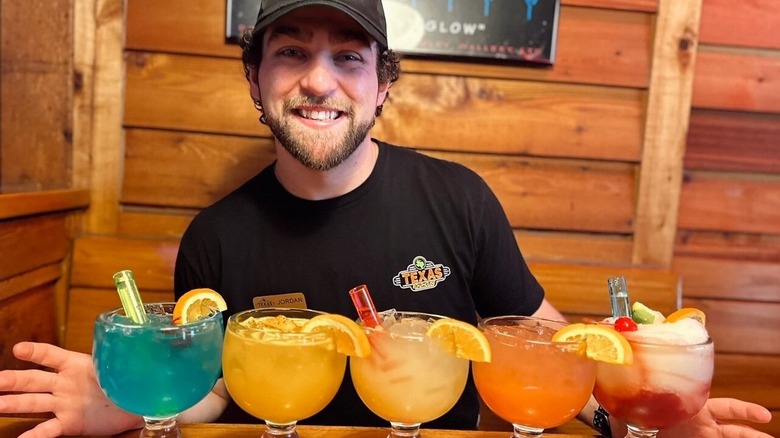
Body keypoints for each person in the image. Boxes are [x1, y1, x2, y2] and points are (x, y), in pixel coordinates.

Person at [0, 1, 773, 437]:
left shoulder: (459, 198)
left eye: (348, 57)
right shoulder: (217, 236)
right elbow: (219, 391)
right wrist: (130, 404)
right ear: (255, 80)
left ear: (382, 87)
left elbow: (551, 351)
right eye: (291, 52)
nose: (319, 81)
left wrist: (644, 415)